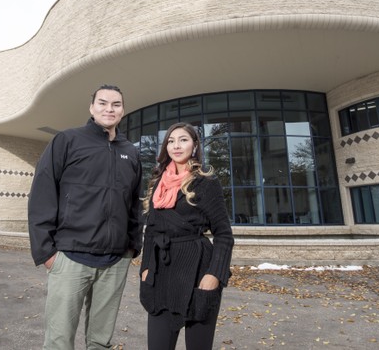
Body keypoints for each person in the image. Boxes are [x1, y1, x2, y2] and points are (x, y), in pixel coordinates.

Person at [28, 85, 142, 350]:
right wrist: (46, 251)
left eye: (115, 104)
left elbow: (134, 203)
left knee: (100, 342)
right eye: (102, 103)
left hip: (115, 261)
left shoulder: (131, 152)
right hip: (70, 257)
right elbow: (42, 192)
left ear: (122, 110)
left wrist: (133, 246)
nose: (109, 109)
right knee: (59, 341)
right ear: (91, 108)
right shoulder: (67, 140)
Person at [139, 122, 235, 350]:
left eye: (183, 139)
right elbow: (151, 230)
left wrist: (215, 274)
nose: (176, 145)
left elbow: (224, 234)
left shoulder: (206, 182)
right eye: (171, 141)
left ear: (194, 145)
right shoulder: (157, 183)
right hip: (162, 273)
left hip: (198, 273)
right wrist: (145, 269)